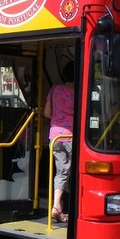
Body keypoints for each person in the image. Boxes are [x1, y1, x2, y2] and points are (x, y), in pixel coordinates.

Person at [43, 61, 75, 224]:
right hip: (71, 136)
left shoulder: (54, 89)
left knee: (61, 171)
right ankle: (57, 206)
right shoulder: (78, 93)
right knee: (68, 172)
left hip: (54, 136)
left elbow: (47, 114)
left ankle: (58, 206)